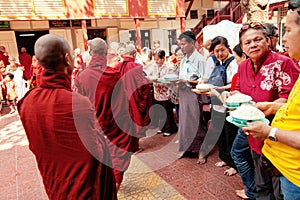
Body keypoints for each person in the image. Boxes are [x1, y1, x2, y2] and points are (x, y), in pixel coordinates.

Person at [18, 34, 117, 199]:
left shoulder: (26, 102)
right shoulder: (77, 103)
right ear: (66, 59)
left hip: (53, 184)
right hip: (83, 189)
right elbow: (95, 152)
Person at [226, 22, 300, 199]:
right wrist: (234, 98)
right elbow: (240, 91)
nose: (253, 45)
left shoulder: (284, 63)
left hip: (280, 139)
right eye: (247, 42)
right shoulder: (243, 66)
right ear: (242, 47)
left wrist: (267, 107)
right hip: (253, 133)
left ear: (267, 41)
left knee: (279, 190)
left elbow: (290, 99)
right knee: (262, 186)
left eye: (258, 39)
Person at [75, 41, 151, 192]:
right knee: (117, 164)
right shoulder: (114, 75)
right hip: (115, 128)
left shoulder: (82, 77)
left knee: (99, 164)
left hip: (94, 129)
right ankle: (112, 191)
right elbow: (123, 103)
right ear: (105, 54)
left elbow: (78, 107)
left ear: (90, 53)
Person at [200, 36, 239, 176]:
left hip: (228, 100)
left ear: (227, 47)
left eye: (222, 50)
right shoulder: (211, 60)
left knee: (230, 133)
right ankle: (224, 158)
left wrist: (219, 88)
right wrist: (202, 84)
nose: (219, 54)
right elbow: (206, 77)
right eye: (216, 51)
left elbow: (234, 84)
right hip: (215, 100)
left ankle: (233, 163)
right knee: (219, 131)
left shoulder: (233, 62)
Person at [176, 31, 207, 162]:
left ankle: (202, 151)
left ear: (192, 43)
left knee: (198, 122)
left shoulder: (200, 60)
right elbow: (181, 77)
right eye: (180, 44)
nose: (181, 47)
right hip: (184, 94)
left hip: (196, 94)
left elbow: (205, 80)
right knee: (184, 122)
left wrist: (188, 82)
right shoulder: (183, 60)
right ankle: (186, 148)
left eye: (184, 44)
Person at [152, 49, 178, 137]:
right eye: (155, 59)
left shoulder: (169, 67)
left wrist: (159, 79)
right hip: (157, 92)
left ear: (163, 58)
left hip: (166, 92)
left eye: (158, 59)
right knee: (160, 111)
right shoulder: (154, 66)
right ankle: (163, 127)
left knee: (168, 111)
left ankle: (171, 128)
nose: (156, 61)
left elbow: (170, 79)